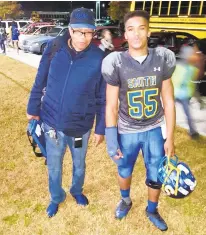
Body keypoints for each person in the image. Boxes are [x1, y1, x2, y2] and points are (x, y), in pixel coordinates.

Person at [27, 8, 106, 217]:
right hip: (51, 121)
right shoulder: (54, 48)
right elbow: (40, 80)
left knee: (79, 164)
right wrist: (32, 109)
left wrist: (100, 128)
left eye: (89, 33)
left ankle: (77, 190)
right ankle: (56, 197)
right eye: (79, 32)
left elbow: (102, 97)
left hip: (81, 125)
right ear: (70, 30)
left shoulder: (99, 58)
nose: (84, 37)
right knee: (54, 165)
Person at [102, 10, 176, 231]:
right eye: (131, 29)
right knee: (124, 169)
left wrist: (170, 136)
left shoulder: (161, 58)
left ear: (148, 31)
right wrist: (111, 136)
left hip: (154, 127)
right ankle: (125, 200)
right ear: (125, 34)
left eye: (141, 29)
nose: (136, 34)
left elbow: (169, 101)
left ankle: (152, 209)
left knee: (156, 172)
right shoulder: (116, 62)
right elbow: (111, 105)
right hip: (127, 129)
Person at [172, 46, 199, 138]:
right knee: (168, 112)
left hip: (184, 95)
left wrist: (194, 95)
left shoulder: (193, 69)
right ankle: (163, 130)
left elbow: (192, 84)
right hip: (175, 93)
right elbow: (172, 79)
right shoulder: (178, 66)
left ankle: (193, 131)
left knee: (187, 114)